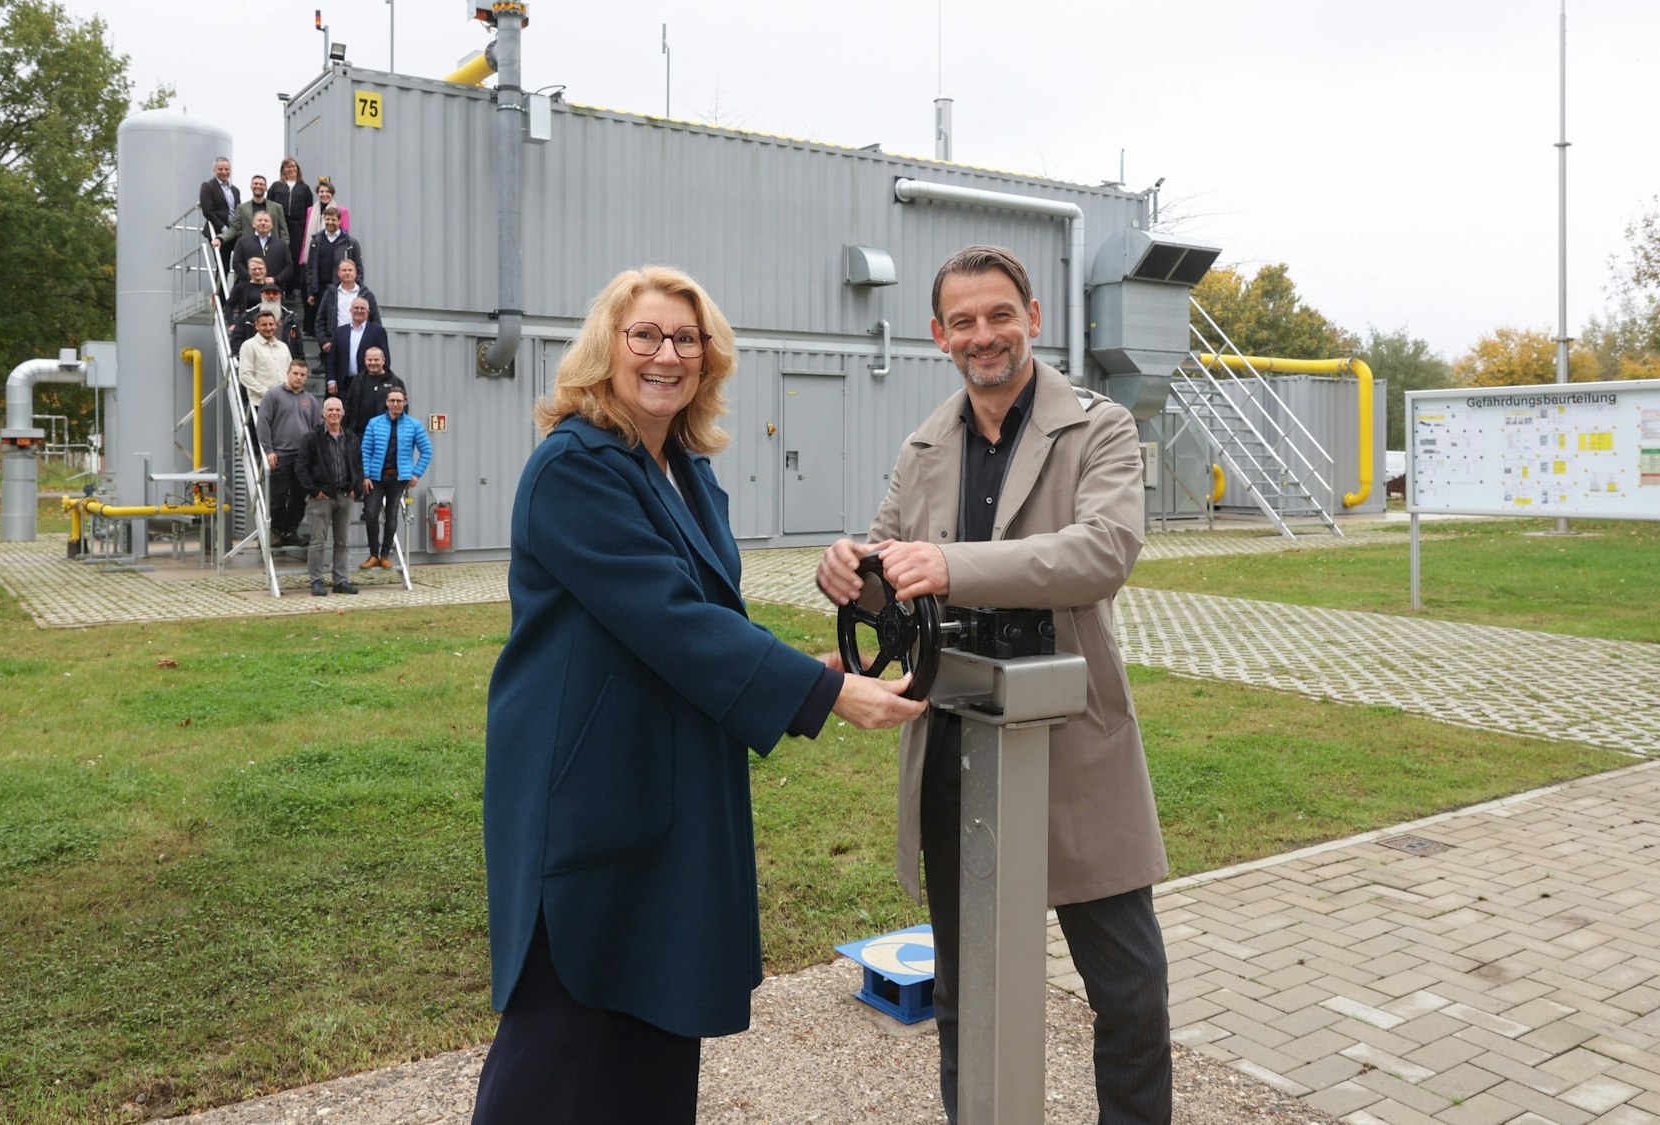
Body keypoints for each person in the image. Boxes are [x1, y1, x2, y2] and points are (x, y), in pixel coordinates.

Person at [476, 266, 926, 1123]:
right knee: (559, 1052)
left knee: (655, 1038)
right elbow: (668, 616)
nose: (665, 354)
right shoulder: (577, 466)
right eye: (644, 335)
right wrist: (823, 701)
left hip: (667, 792)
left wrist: (808, 671)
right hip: (590, 799)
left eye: (685, 338)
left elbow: (709, 620)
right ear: (606, 350)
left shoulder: (683, 468)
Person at [815, 244, 1172, 1125]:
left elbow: (1102, 553)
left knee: (1129, 988)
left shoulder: (1100, 428)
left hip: (1072, 741)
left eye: (1000, 315)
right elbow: (892, 574)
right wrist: (849, 569)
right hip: (956, 738)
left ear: (1034, 318)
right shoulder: (924, 445)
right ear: (939, 335)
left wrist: (949, 564)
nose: (985, 336)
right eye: (964, 321)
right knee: (965, 989)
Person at [298, 395, 363, 596]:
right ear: (323, 413)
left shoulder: (351, 438)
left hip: (345, 496)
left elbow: (359, 466)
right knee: (318, 541)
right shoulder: (311, 438)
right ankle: (316, 581)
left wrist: (356, 488)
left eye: (337, 410)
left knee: (343, 542)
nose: (334, 413)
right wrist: (314, 491)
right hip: (322, 499)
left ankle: (341, 581)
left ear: (342, 413)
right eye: (330, 410)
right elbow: (301, 467)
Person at [358, 387, 429, 570]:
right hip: (376, 477)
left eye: (399, 401)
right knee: (371, 514)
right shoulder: (374, 423)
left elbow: (426, 450)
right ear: (387, 402)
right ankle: (373, 554)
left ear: (405, 403)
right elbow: (365, 451)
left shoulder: (414, 425)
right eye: (392, 401)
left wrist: (416, 473)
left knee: (392, 515)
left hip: (398, 479)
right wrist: (365, 475)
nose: (396, 404)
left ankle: (385, 555)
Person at [256, 359, 321, 549]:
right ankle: (275, 531)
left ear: (306, 377)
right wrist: (269, 451)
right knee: (279, 494)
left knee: (299, 497)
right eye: (296, 373)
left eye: (302, 375)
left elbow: (316, 429)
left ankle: (291, 531)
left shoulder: (311, 400)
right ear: (288, 373)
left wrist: (313, 456)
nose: (299, 377)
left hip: (302, 457)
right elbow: (263, 424)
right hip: (280, 455)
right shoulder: (273, 395)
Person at [302, 205, 363, 336]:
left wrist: (357, 288)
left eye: (333, 219)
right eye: (327, 219)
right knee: (322, 323)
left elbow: (358, 268)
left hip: (341, 288)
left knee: (339, 321)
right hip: (320, 289)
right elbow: (310, 268)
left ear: (339, 221)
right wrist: (311, 292)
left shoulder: (350, 243)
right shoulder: (316, 240)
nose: (330, 222)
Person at [326, 298, 390, 402]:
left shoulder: (378, 331)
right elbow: (332, 359)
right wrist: (331, 380)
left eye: (362, 308)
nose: (359, 310)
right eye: (356, 308)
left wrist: (381, 381)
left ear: (368, 312)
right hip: (343, 384)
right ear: (350, 310)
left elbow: (385, 359)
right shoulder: (340, 332)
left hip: (368, 382)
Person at [314, 258, 380, 352]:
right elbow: (320, 320)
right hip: (335, 344)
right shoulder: (330, 294)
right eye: (344, 270)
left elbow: (376, 321)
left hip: (360, 345)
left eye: (350, 270)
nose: (347, 273)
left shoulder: (367, 295)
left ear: (355, 273)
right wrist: (324, 341)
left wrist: (371, 342)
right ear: (338, 273)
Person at [271, 157, 315, 296]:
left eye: (294, 166)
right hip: (280, 225)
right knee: (279, 255)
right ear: (283, 169)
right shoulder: (276, 186)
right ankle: (279, 286)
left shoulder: (304, 188)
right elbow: (269, 205)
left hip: (297, 226)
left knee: (295, 257)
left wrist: (305, 225)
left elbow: (309, 208)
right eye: (288, 166)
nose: (291, 169)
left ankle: (291, 289)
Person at [231, 277, 305, 359]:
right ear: (261, 295)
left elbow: (298, 346)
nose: (271, 296)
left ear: (280, 296)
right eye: (267, 293)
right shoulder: (248, 317)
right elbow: (236, 340)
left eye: (275, 293)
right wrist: (239, 357)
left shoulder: (290, 319)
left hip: (283, 363)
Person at [198, 156, 239, 292]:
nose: (224, 172)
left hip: (234, 232)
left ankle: (237, 296)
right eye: (220, 169)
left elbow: (238, 210)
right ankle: (220, 300)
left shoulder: (235, 190)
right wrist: (224, 228)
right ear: (214, 170)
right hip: (218, 231)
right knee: (223, 266)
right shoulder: (208, 187)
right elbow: (207, 211)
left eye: (227, 169)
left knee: (241, 263)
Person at [346, 346, 404, 437]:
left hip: (385, 435)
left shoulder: (395, 382)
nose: (373, 363)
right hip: (359, 435)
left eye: (376, 359)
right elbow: (348, 405)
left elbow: (403, 408)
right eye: (370, 360)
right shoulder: (357, 380)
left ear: (383, 360)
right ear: (365, 360)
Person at [230, 210, 292, 294]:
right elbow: (237, 263)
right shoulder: (242, 242)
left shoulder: (281, 244)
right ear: (253, 224)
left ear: (272, 225)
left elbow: (289, 266)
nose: (263, 223)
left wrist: (276, 279)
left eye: (266, 220)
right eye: (259, 220)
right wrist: (252, 278)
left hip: (274, 290)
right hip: (248, 289)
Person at [223, 173, 289, 248]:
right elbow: (233, 229)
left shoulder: (277, 207)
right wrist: (220, 239)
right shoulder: (241, 208)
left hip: (271, 249)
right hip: (249, 249)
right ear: (251, 187)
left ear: (266, 188)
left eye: (261, 184)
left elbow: (284, 233)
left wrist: (281, 248)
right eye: (255, 184)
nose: (258, 186)